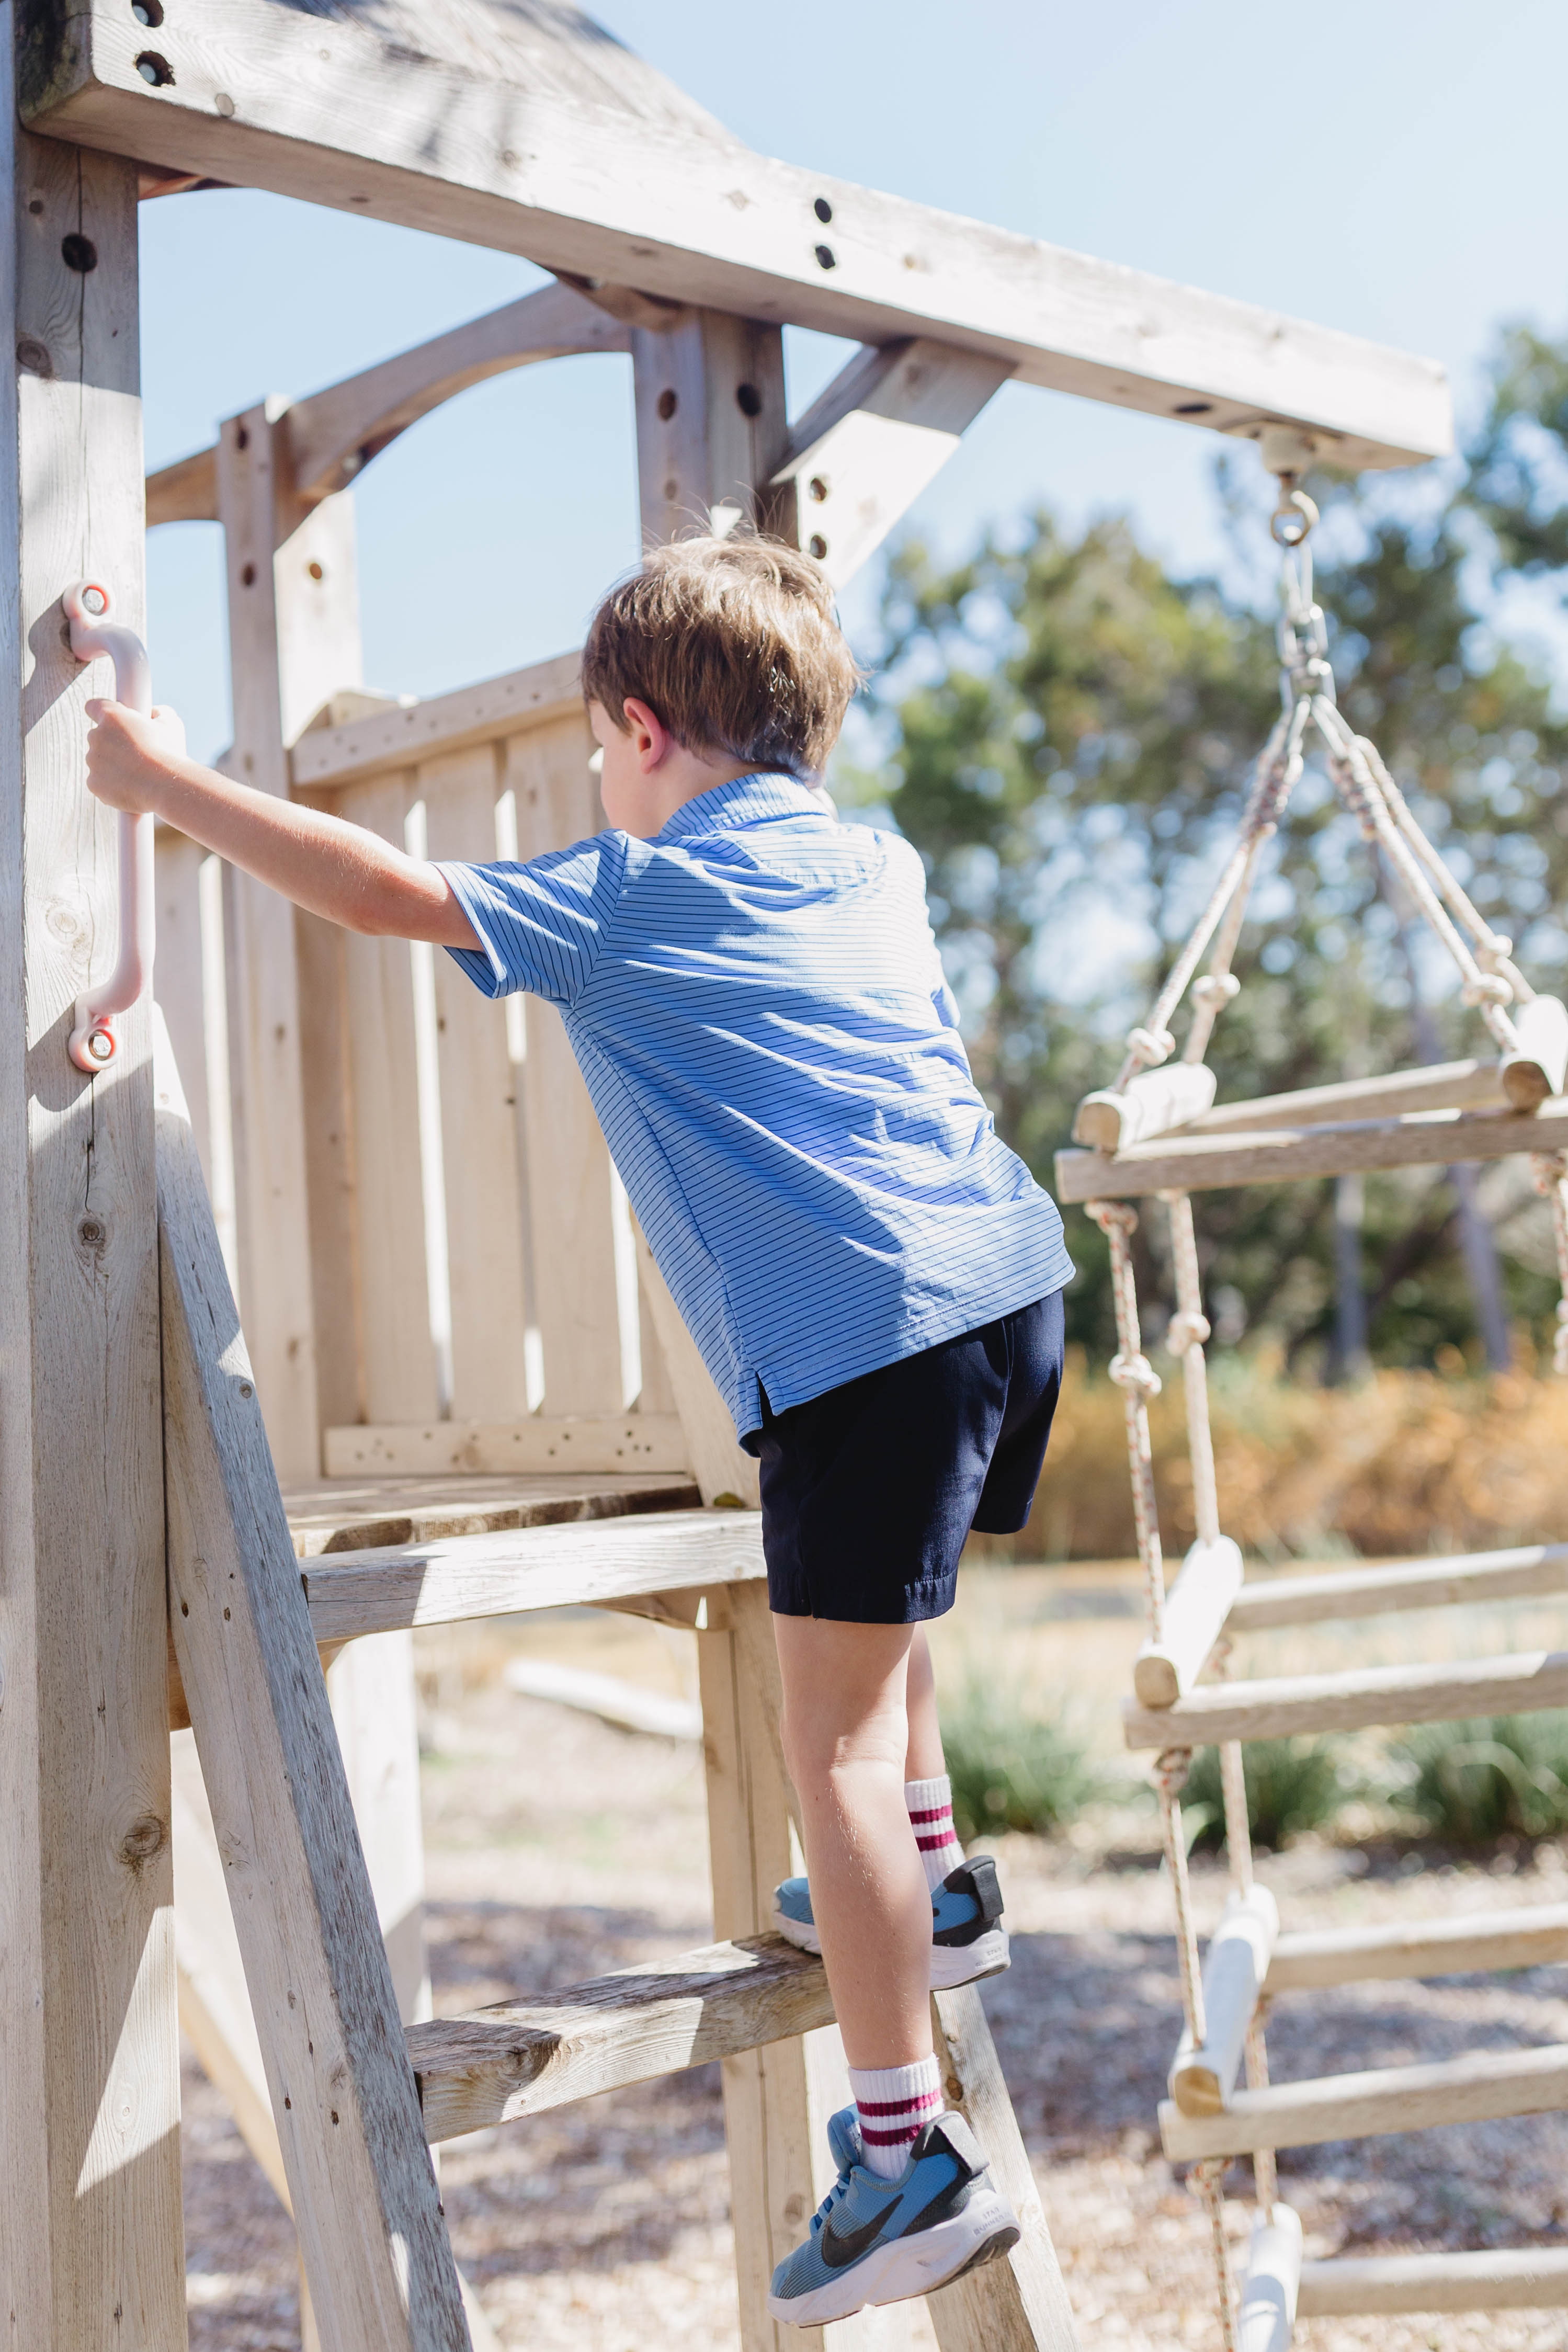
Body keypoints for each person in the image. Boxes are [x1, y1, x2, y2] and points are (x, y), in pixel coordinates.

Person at [84, 531, 1072, 2326]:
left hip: (863, 1337)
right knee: (892, 1631)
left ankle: (900, 2150)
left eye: (600, 752)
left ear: (637, 730)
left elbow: (387, 892)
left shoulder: (636, 889)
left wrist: (159, 782)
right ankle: (940, 1875)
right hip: (1010, 1284)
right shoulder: (874, 859)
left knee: (826, 1733)